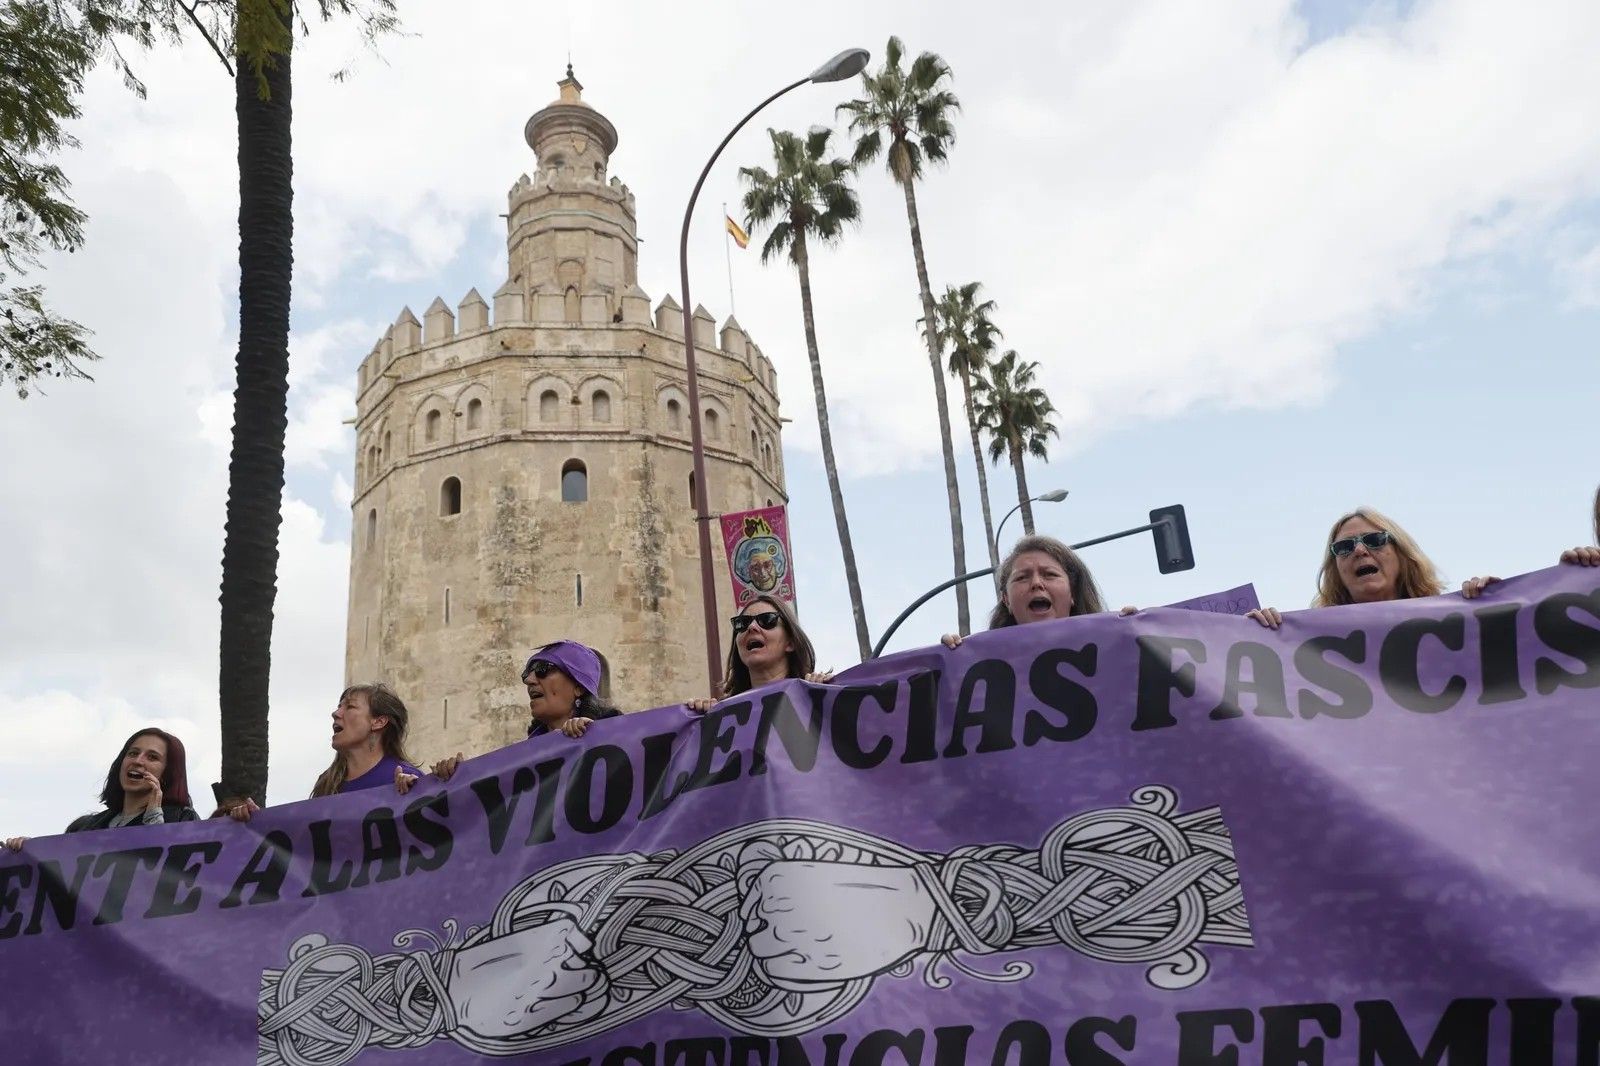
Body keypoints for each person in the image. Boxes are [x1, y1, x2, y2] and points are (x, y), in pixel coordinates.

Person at [421, 640, 620, 789]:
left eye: (543, 670)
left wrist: (598, 738)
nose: (530, 680)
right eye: (528, 672)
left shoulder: (620, 742)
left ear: (578, 687)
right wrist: (455, 781)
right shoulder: (521, 759)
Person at [228, 684, 422, 820]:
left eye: (350, 706)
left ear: (378, 722)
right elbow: (305, 845)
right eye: (339, 706)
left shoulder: (405, 779)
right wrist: (256, 822)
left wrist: (416, 796)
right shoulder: (327, 784)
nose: (336, 713)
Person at [1249, 507, 1449, 628]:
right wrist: (1249, 635)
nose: (1360, 550)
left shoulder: (1451, 623)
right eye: (1344, 547)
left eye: (1374, 540)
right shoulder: (1310, 645)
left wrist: (1480, 601)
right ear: (1336, 571)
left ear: (1401, 553)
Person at [4, 728, 199, 850]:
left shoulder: (183, 819)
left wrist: (154, 817)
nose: (138, 761)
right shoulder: (83, 827)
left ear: (168, 774)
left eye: (152, 757)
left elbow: (171, 872)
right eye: (133, 753)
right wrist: (31, 851)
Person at [941, 535, 1114, 648]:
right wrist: (950, 660)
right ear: (1006, 600)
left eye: (1050, 574)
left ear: (1073, 593)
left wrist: (1134, 632)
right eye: (1022, 577)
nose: (1036, 583)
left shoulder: (1112, 646)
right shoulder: (974, 662)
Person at [686, 595, 833, 713]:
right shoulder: (724, 715)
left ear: (790, 643)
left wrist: (825, 698)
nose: (751, 627)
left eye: (767, 620)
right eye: (742, 623)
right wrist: (703, 723)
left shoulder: (818, 693)